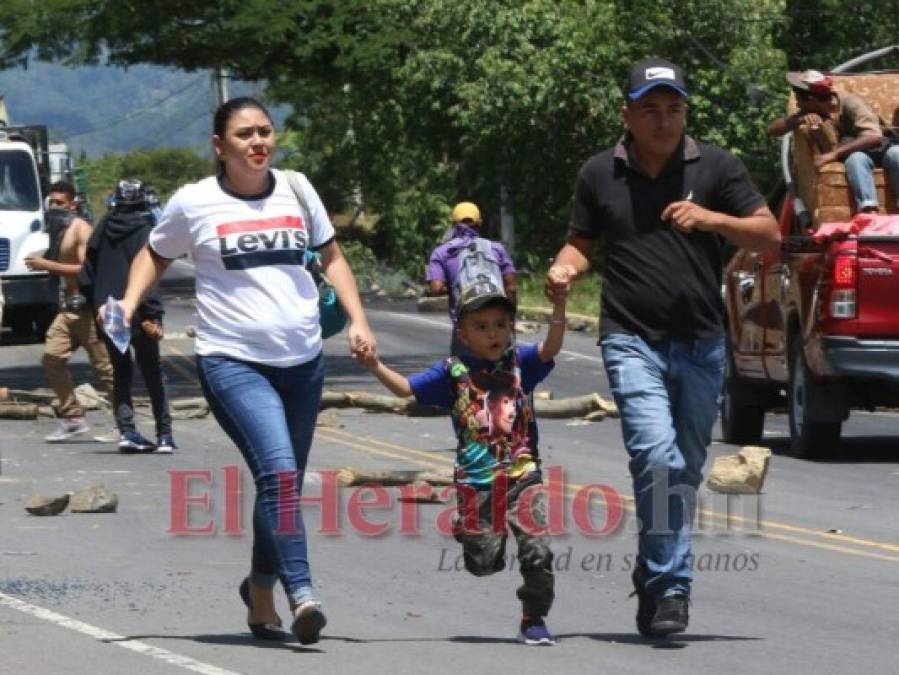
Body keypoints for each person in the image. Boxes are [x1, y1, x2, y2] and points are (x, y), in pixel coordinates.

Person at [109, 97, 375, 645]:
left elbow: (332, 258)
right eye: (245, 135)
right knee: (278, 472)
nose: (258, 143)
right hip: (232, 361)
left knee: (281, 483)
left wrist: (358, 320)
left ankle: (259, 591)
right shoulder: (196, 202)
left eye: (265, 132)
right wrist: (129, 305)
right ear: (219, 146)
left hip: (302, 362)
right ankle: (302, 594)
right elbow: (155, 254)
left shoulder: (297, 189)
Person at [545, 58, 780, 638]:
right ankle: (673, 586)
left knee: (685, 471)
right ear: (627, 115)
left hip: (702, 343)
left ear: (685, 112)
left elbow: (770, 234)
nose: (662, 120)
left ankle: (653, 575)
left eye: (672, 108)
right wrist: (563, 268)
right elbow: (581, 244)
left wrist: (712, 218)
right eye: (649, 109)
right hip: (631, 338)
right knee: (658, 459)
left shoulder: (717, 166)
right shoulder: (600, 173)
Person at [359, 267, 567, 645]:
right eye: (483, 326)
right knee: (484, 563)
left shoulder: (521, 364)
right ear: (463, 333)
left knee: (538, 552)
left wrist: (560, 306)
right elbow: (406, 389)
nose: (494, 334)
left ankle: (533, 617)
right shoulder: (452, 373)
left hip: (523, 476)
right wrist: (374, 365)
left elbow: (551, 347)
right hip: (476, 483)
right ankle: (465, 528)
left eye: (502, 325)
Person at [79, 178, 175, 453]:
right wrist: (154, 316)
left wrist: (96, 304)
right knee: (152, 373)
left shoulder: (102, 230)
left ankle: (128, 431)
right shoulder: (147, 232)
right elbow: (150, 279)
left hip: (107, 312)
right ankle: (164, 435)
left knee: (121, 373)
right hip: (140, 312)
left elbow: (87, 275)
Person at [25, 181, 115, 442]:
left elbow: (86, 268)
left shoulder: (80, 229)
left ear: (73, 204)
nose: (54, 207)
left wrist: (47, 264)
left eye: (60, 203)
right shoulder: (58, 229)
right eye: (51, 202)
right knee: (52, 358)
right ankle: (73, 417)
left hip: (88, 308)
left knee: (106, 369)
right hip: (68, 308)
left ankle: (124, 422)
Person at [767, 69, 899, 213]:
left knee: (896, 154)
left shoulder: (851, 103)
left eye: (799, 100)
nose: (797, 105)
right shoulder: (810, 112)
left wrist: (835, 154)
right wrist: (799, 120)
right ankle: (869, 210)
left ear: (811, 100)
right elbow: (773, 130)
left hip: (882, 147)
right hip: (857, 155)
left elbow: (874, 137)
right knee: (856, 160)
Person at [427, 201, 517, 354]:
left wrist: (454, 286)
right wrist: (510, 320)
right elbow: (512, 288)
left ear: (453, 224)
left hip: (466, 327)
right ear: (480, 223)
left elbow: (436, 288)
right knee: (506, 372)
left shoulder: (442, 252)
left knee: (461, 372)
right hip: (498, 323)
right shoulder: (496, 249)